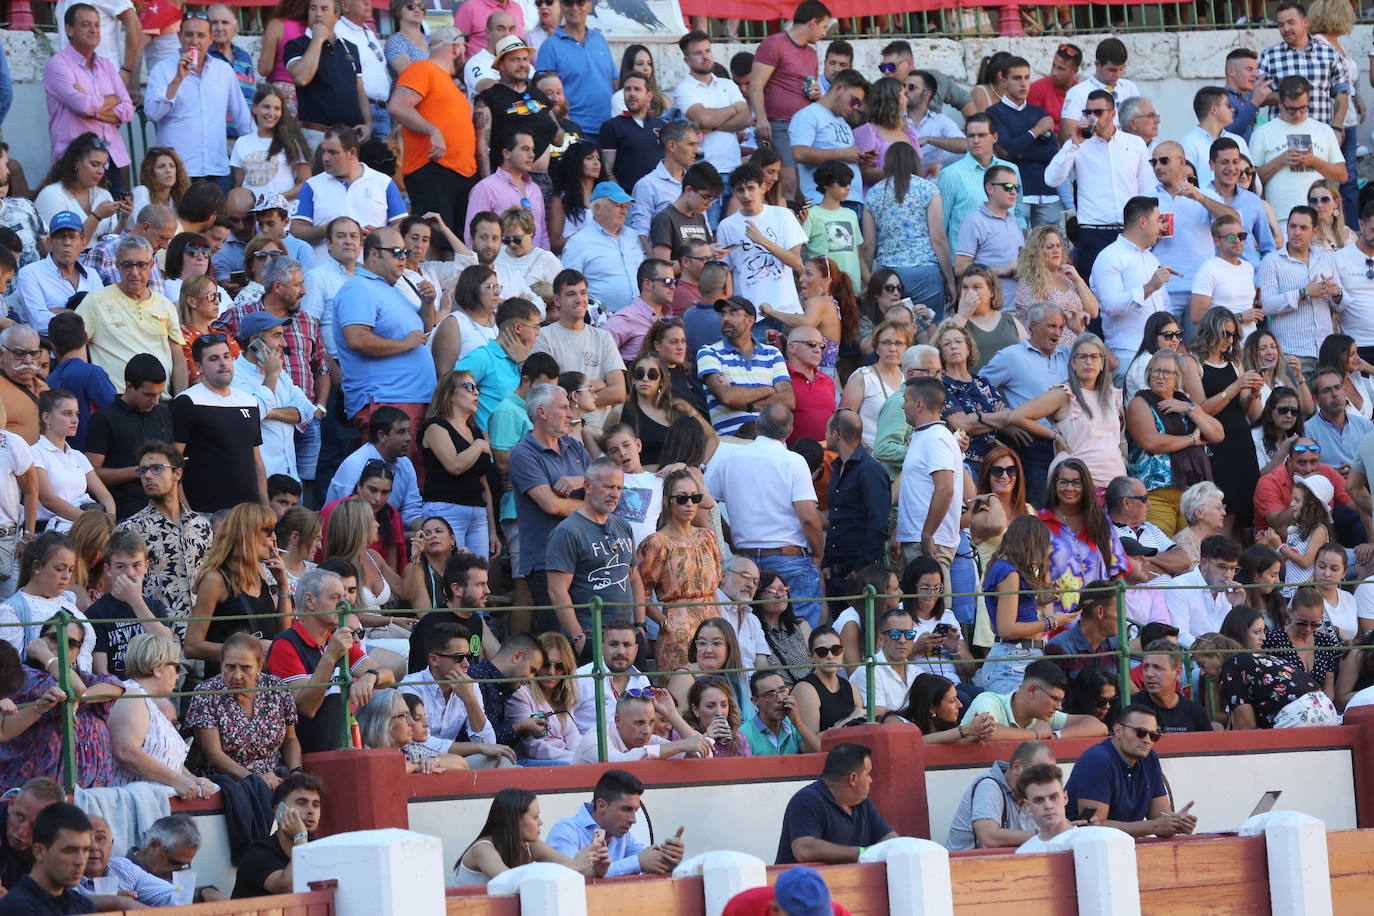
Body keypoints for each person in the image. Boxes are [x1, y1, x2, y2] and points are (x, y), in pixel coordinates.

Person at [333, 227, 438, 459]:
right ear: (373, 255)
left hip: (407, 398)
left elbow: (423, 331)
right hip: (387, 400)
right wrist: (404, 345)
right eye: (396, 252)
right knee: (388, 481)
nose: (403, 257)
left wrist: (428, 304)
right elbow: (356, 338)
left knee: (409, 480)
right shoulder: (359, 288)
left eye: (405, 252)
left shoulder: (390, 288)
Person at [1045, 92, 1154, 282]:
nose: (1092, 117)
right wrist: (1073, 144)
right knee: (1094, 295)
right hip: (1092, 232)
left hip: (1130, 231)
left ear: (1112, 114)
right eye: (1088, 112)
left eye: (1097, 112)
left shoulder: (1135, 143)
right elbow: (1051, 179)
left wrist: (1150, 227)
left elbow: (1147, 190)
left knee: (1134, 287)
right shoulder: (1079, 145)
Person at [144, 12, 251, 186]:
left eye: (201, 35)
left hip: (216, 169)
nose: (195, 41)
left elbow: (242, 118)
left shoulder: (223, 70)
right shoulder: (162, 69)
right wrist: (178, 79)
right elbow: (152, 114)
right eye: (188, 35)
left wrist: (258, 152)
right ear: (179, 37)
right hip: (176, 172)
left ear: (211, 38)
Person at [77, 234, 187, 396]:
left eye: (141, 265)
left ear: (152, 265)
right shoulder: (95, 301)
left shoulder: (166, 306)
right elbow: (76, 349)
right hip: (117, 401)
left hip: (160, 401)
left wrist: (180, 400)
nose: (134, 272)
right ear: (117, 266)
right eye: (127, 265)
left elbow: (178, 360)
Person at [1066, 704, 1198, 837]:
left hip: (1124, 848)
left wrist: (1176, 823)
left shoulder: (1149, 758)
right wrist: (1153, 826)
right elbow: (1094, 828)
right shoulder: (1097, 760)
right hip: (1080, 850)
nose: (1147, 740)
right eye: (1140, 732)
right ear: (1118, 730)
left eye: (1154, 736)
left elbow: (1160, 818)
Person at [44, 6, 134, 197]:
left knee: (118, 221)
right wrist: (114, 100)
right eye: (86, 25)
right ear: (69, 29)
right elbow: (82, 104)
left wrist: (92, 106)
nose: (94, 30)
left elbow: (127, 111)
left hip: (113, 156)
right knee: (81, 222)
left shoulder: (106, 65)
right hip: (76, 159)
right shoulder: (57, 65)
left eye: (97, 25)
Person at [171, 334, 265, 511]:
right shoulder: (187, 401)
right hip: (205, 513)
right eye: (214, 359)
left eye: (226, 356)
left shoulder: (250, 402)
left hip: (248, 514)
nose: (223, 363)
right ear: (199, 366)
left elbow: (257, 463)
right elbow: (172, 463)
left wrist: (266, 510)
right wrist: (187, 515)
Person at [454, 787, 607, 886]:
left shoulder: (531, 845)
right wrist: (574, 866)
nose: (541, 822)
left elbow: (580, 872)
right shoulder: (482, 849)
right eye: (535, 817)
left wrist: (598, 869)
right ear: (514, 821)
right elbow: (508, 882)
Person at [775, 742, 897, 865]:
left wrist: (877, 851)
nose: (871, 780)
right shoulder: (807, 800)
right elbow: (804, 850)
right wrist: (863, 852)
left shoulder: (862, 803)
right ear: (853, 778)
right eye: (867, 774)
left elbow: (892, 841)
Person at [893, 377, 962, 592]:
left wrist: (927, 534)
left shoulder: (936, 437)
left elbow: (945, 488)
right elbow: (911, 491)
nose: (903, 405)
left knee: (934, 616)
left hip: (929, 543)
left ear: (919, 404)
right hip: (918, 538)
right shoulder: (923, 435)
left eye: (906, 399)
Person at [547, 769, 685, 876]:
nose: (633, 820)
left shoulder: (623, 835)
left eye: (635, 811)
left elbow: (648, 862)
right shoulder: (565, 830)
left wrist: (669, 858)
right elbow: (573, 877)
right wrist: (636, 862)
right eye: (626, 809)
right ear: (601, 805)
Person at [716, 165, 807, 324]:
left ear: (763, 187)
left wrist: (762, 240)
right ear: (733, 192)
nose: (746, 195)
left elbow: (796, 261)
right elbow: (726, 273)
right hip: (751, 316)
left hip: (788, 311)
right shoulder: (727, 226)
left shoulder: (782, 215)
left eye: (751, 188)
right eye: (740, 190)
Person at [290, 126, 406, 250]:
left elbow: (402, 225)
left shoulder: (383, 182)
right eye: (324, 151)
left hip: (371, 268)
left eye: (332, 152)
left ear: (352, 153)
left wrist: (378, 234)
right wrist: (325, 230)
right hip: (324, 267)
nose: (325, 158)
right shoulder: (312, 185)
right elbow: (296, 229)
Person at [946, 740, 1054, 850]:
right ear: (1017, 767)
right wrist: (1042, 835)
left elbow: (1055, 828)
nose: (1043, 782)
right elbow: (988, 838)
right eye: (1039, 774)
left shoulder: (1029, 793)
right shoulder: (989, 786)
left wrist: (1068, 829)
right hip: (965, 865)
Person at [230, 772, 323, 898]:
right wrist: (300, 836)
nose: (311, 811)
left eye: (316, 805)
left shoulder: (319, 848)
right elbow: (289, 886)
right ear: (279, 811)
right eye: (301, 803)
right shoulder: (259, 852)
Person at [673, 32, 748, 185]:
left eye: (707, 51)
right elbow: (703, 119)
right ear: (687, 60)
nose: (705, 56)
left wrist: (713, 127)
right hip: (703, 173)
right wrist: (735, 108)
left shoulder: (728, 84)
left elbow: (746, 118)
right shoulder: (684, 88)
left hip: (735, 168)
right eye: (698, 53)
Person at [325, 406, 421, 525]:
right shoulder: (355, 465)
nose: (408, 438)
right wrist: (403, 537)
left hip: (387, 532)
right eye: (401, 432)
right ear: (382, 435)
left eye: (408, 431)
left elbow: (411, 511)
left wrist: (423, 533)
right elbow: (351, 518)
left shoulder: (405, 463)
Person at [560, 182, 642, 313]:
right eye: (618, 205)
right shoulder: (579, 242)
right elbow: (568, 287)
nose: (624, 211)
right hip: (603, 322)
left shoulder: (633, 236)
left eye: (625, 206)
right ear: (598, 208)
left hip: (640, 316)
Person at [0, 803, 96, 916]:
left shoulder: (84, 905)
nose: (80, 861)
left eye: (85, 850)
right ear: (39, 852)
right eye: (69, 850)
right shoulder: (17, 907)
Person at [15, 213, 101, 336]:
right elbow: (39, 323)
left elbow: (103, 317)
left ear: (83, 243)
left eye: (72, 237)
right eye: (61, 237)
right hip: (50, 352)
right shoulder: (30, 273)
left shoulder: (92, 275)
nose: (67, 243)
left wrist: (61, 312)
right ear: (50, 242)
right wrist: (84, 315)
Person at [505, 631, 580, 763]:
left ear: (567, 669)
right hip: (531, 763)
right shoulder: (521, 693)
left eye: (559, 666)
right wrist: (575, 760)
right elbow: (531, 747)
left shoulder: (565, 697)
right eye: (545, 664)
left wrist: (582, 759)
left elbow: (574, 738)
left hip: (565, 762)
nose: (551, 672)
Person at [1132, 639, 1214, 733]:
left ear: (1178, 672)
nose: (1149, 674)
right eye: (1145, 667)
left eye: (1157, 668)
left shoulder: (1195, 713)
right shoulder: (1130, 707)